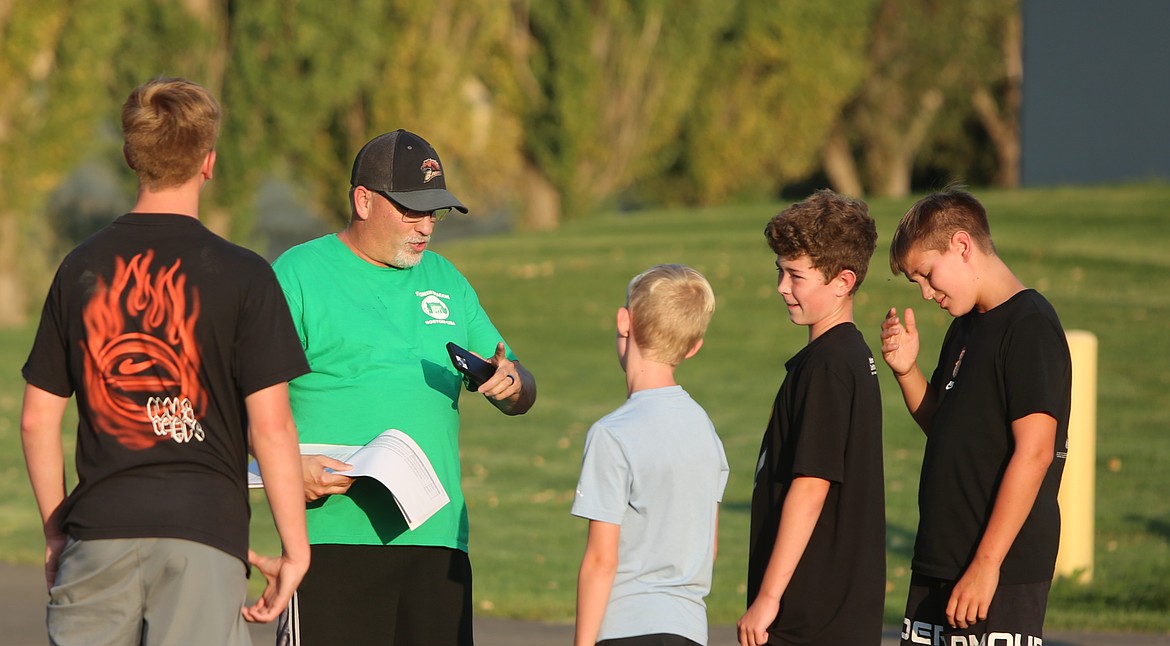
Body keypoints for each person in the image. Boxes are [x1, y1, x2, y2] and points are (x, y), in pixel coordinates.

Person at [19, 77, 311, 646]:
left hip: (98, 532)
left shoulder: (80, 267)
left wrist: (59, 534)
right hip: (204, 536)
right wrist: (294, 550)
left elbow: (36, 420)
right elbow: (271, 429)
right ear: (209, 162)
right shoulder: (246, 274)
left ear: (131, 155)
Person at [271, 129, 537, 645]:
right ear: (363, 200)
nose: (426, 226)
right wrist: (286, 472)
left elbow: (521, 384)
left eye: (434, 212)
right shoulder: (299, 273)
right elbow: (248, 398)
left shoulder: (447, 280)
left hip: (437, 545)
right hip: (331, 539)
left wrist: (511, 383)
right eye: (411, 211)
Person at [879, 188, 1070, 646]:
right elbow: (946, 428)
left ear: (962, 246)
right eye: (916, 284)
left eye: (927, 275)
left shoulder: (1029, 326)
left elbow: (1036, 451)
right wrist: (907, 371)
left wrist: (987, 566)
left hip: (997, 570)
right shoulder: (964, 327)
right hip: (940, 559)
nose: (926, 293)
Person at [738, 189, 885, 646]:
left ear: (842, 281)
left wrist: (768, 597)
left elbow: (811, 483)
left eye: (795, 275)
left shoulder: (827, 367)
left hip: (810, 616)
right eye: (779, 271)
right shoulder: (846, 357)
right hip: (830, 614)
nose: (782, 286)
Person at [572, 264, 728, 646]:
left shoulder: (613, 434)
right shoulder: (704, 429)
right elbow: (709, 545)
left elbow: (600, 560)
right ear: (694, 346)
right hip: (690, 629)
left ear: (624, 321)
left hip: (626, 627)